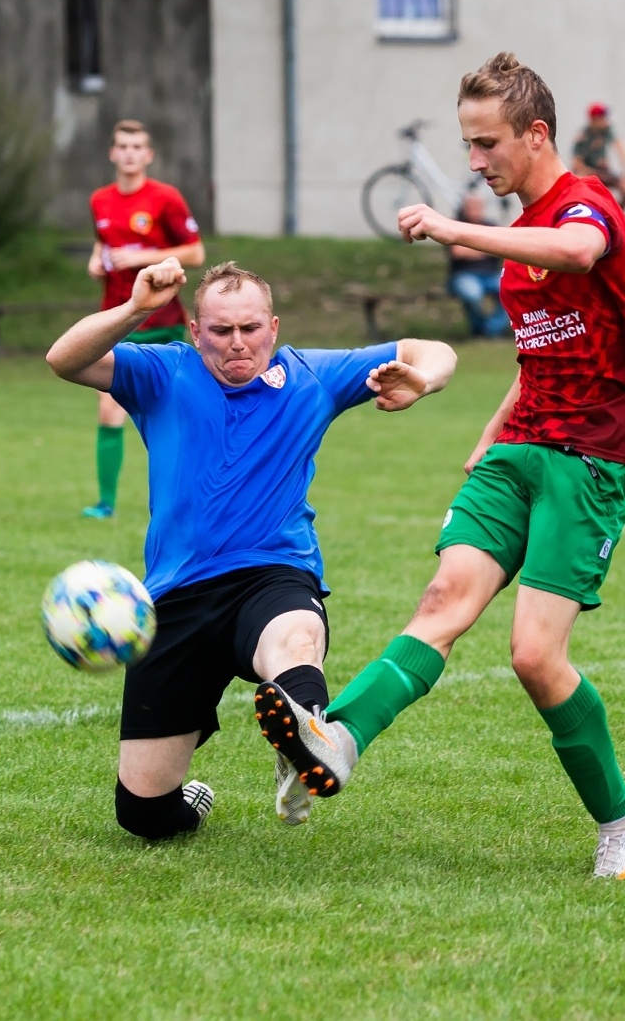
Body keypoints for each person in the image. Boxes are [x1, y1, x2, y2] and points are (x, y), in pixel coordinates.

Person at [272, 52, 625, 880]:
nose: (475, 162)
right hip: (522, 444)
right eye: (467, 144)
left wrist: (454, 231)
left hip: (593, 454)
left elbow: (580, 253)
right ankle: (332, 739)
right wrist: (490, 431)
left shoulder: (582, 208)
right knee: (444, 599)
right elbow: (539, 355)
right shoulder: (522, 233)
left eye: (487, 144)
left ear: (537, 133)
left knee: (533, 655)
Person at [45, 259, 457, 838]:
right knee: (143, 816)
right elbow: (65, 359)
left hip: (271, 575)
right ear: (194, 332)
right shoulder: (163, 372)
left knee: (294, 636)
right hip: (176, 599)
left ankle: (306, 737)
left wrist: (424, 379)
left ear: (273, 327)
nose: (237, 344)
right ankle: (191, 797)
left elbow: (433, 349)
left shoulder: (311, 376)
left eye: (250, 329)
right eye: (220, 331)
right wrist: (137, 308)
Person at [83, 119, 207, 520]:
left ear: (149, 154)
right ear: (112, 153)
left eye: (138, 146)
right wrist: (96, 259)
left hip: (165, 323)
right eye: (123, 145)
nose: (130, 152)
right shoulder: (100, 200)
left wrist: (139, 258)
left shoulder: (166, 198)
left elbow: (195, 253)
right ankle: (105, 504)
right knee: (108, 411)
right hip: (116, 323)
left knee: (182, 412)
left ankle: (198, 493)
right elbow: (105, 239)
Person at [447, 193, 510, 337]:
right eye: (471, 207)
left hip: (491, 274)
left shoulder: (491, 226)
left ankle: (491, 330)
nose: (474, 210)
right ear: (464, 208)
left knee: (510, 290)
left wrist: (472, 249)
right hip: (464, 275)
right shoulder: (456, 226)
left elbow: (502, 249)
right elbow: (458, 252)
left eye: (477, 207)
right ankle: (478, 329)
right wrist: (487, 247)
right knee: (472, 294)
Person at [572, 102, 625, 203]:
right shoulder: (583, 137)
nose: (606, 120)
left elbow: (620, 148)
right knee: (580, 182)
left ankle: (618, 213)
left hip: (603, 170)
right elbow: (577, 164)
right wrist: (593, 172)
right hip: (588, 171)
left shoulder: (607, 130)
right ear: (594, 120)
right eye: (602, 117)